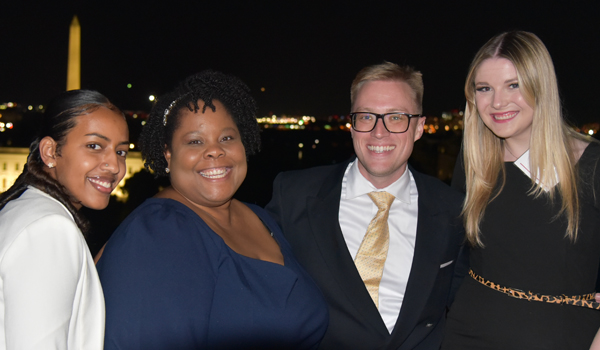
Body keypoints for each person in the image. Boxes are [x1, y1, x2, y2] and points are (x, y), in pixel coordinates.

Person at [96, 70, 329, 349]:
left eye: (227, 138)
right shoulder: (158, 233)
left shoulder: (263, 218)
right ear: (168, 154)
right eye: (195, 141)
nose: (215, 151)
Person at [265, 62, 466, 350]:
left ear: (419, 127)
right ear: (352, 123)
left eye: (396, 118)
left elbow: (462, 309)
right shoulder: (294, 196)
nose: (378, 133)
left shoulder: (453, 210)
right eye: (366, 117)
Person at [442, 31, 600, 349]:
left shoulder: (592, 165)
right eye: (484, 89)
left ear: (540, 85)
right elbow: (454, 257)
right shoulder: (474, 163)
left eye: (513, 85)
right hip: (467, 335)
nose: (498, 102)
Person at [0, 89, 129, 349]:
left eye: (121, 152)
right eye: (94, 146)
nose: (114, 165)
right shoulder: (50, 229)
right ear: (50, 152)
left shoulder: (22, 210)